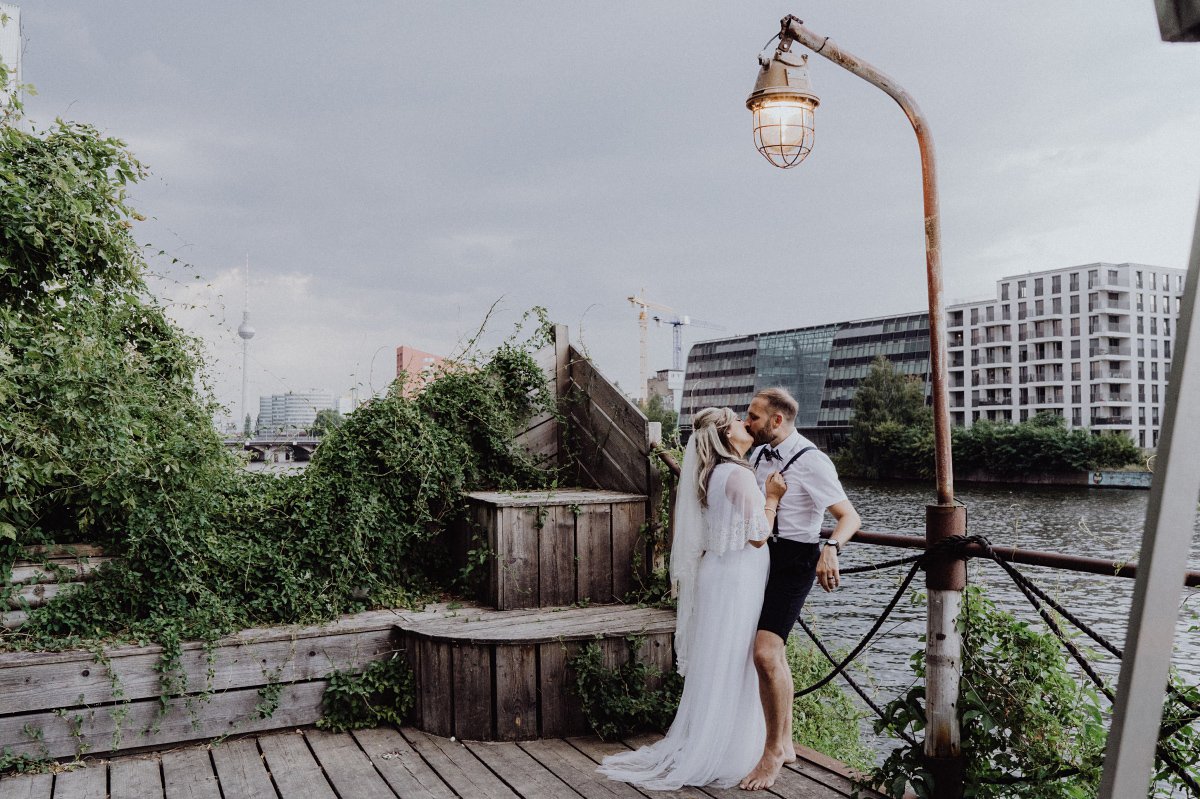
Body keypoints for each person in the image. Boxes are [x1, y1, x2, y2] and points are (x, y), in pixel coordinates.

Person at [597, 407, 788, 790]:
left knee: (722, 658)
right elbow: (757, 535)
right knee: (735, 660)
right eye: (737, 421)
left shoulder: (712, 474)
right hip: (737, 578)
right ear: (724, 435)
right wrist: (772, 498)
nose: (744, 425)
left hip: (720, 574)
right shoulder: (736, 474)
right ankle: (732, 750)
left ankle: (726, 741)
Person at [739, 388, 861, 792]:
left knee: (764, 652)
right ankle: (786, 743)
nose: (746, 422)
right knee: (770, 655)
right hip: (758, 559)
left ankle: (773, 751)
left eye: (754, 417)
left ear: (777, 421)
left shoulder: (813, 460)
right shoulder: (756, 454)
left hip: (794, 563)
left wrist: (831, 547)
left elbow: (849, 517)